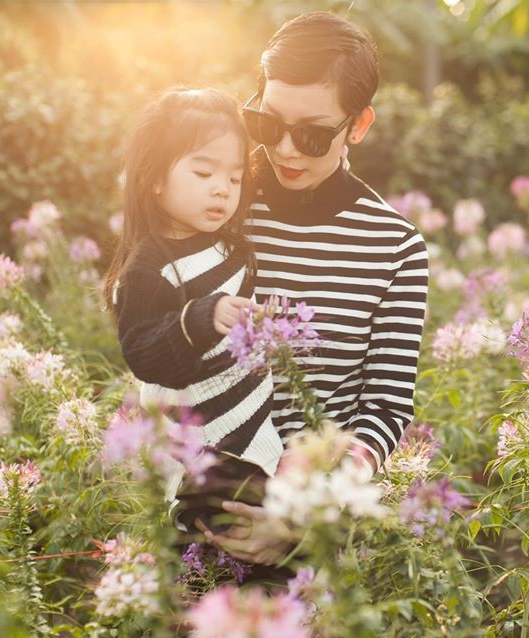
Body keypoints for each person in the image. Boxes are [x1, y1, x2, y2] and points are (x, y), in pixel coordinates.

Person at [198, 12, 429, 567]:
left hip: (314, 532)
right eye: (267, 123)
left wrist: (304, 516)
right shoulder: (218, 205)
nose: (286, 150)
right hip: (198, 508)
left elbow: (385, 407)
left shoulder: (395, 246)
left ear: (359, 124)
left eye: (312, 134)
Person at [102, 88, 284, 532]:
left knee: (261, 520)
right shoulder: (148, 268)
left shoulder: (229, 243)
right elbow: (143, 352)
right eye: (203, 172)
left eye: (235, 178)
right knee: (209, 534)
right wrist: (199, 318)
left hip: (251, 414)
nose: (222, 189)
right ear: (155, 178)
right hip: (198, 435)